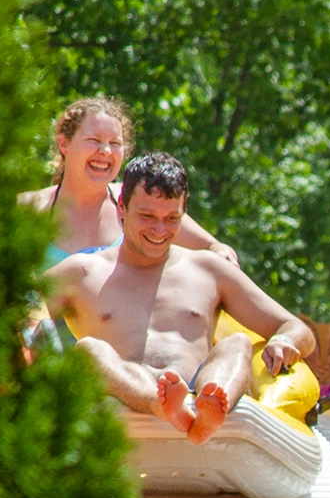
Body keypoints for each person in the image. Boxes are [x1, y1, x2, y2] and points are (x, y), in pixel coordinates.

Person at [45, 151, 315, 445]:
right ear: (121, 207)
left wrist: (285, 342)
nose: (160, 230)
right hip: (125, 397)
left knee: (237, 344)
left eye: (172, 218)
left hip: (197, 391)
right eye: (147, 216)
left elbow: (295, 327)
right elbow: (16, 309)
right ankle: (160, 405)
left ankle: (210, 410)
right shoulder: (82, 272)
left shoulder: (209, 269)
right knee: (89, 350)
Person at [19, 96, 239, 269]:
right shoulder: (27, 209)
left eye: (115, 143)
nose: (105, 151)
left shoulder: (138, 202)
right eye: (94, 140)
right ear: (64, 144)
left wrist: (224, 256)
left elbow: (213, 246)